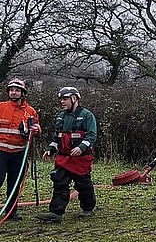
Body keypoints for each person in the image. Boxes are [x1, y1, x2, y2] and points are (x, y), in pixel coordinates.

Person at [37, 87, 97, 223]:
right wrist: (50, 149)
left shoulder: (87, 115)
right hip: (63, 158)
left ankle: (88, 207)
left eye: (65, 99)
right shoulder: (60, 116)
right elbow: (57, 137)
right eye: (61, 99)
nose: (62, 102)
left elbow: (91, 135)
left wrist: (81, 148)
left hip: (80, 160)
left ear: (74, 98)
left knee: (83, 184)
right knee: (59, 182)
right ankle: (55, 212)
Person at [0, 78, 41, 221]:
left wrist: (36, 130)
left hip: (19, 154)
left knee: (15, 183)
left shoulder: (30, 112)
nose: (13, 93)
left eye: (17, 90)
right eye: (11, 90)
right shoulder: (1, 107)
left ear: (23, 93)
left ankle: (11, 212)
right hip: (1, 153)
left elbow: (37, 128)